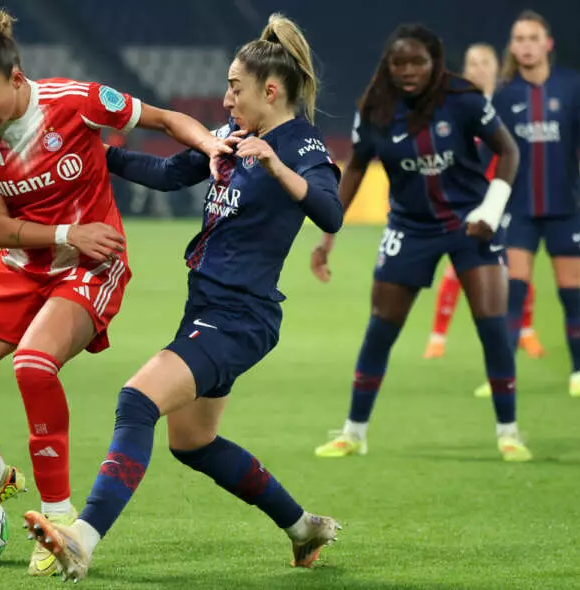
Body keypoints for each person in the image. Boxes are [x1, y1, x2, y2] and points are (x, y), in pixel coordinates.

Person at [22, 14, 343, 582]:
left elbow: (328, 209)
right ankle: (303, 527)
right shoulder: (235, 138)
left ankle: (82, 538)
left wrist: (276, 166)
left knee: (137, 400)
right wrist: (96, 153)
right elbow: (170, 174)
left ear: (270, 91)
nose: (225, 99)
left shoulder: (300, 143)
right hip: (208, 312)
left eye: (234, 87)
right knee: (193, 442)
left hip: (241, 318)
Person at [0, 6, 232, 577]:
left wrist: (211, 146)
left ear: (16, 79)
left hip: (90, 265)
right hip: (22, 262)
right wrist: (67, 232)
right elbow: (1, 230)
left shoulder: (76, 100)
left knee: (33, 366)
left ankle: (57, 522)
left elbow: (163, 119)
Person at [310, 24, 532, 462]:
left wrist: (492, 209)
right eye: (399, 63)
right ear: (387, 66)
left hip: (472, 223)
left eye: (418, 62)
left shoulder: (463, 98)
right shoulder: (374, 110)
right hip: (409, 228)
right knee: (380, 329)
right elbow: (354, 172)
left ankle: (509, 432)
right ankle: (354, 432)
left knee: (492, 325)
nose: (408, 71)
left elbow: (509, 151)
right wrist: (326, 237)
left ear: (435, 63)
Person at [474, 10, 580, 399]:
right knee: (513, 291)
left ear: (547, 43)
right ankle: (504, 378)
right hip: (520, 210)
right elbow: (489, 149)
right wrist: (473, 190)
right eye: (519, 39)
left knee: (570, 291)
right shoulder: (505, 93)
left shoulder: (572, 86)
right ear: (512, 47)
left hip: (566, 208)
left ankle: (579, 372)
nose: (526, 46)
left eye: (533, 38)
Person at [424, 43, 544, 360]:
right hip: (467, 201)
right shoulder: (457, 106)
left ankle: (527, 332)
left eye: (485, 62)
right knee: (457, 270)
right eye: (472, 62)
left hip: (507, 199)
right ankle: (438, 337)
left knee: (516, 270)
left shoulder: (508, 105)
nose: (478, 68)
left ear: (497, 66)